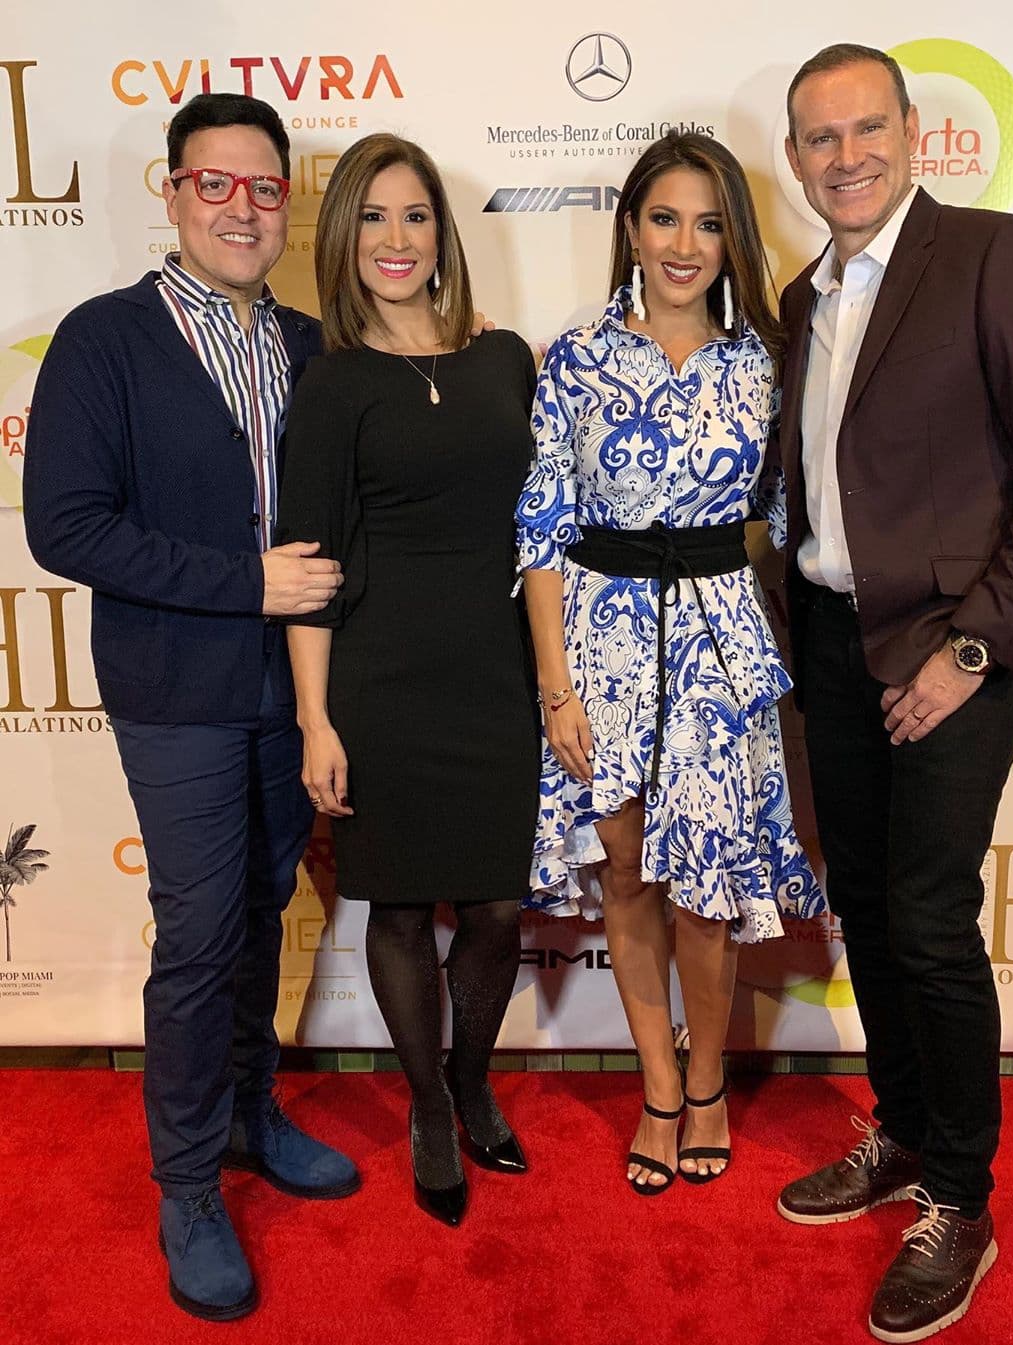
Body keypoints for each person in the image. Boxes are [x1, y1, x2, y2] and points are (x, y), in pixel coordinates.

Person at [22, 93, 361, 1322]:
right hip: (176, 691)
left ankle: (245, 1114)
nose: (242, 206)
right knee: (202, 924)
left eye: (264, 188)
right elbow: (66, 526)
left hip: (297, 694)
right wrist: (247, 584)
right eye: (214, 183)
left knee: (265, 908)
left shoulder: (315, 345)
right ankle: (184, 1181)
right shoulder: (104, 339)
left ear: (287, 205)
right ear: (171, 193)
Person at [775, 43, 1013, 1343]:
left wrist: (970, 653)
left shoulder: (998, 252)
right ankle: (902, 1132)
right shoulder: (801, 295)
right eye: (819, 139)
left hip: (954, 642)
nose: (845, 157)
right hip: (832, 641)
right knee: (865, 899)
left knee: (929, 914)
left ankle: (963, 1194)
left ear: (912, 130)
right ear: (797, 158)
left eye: (865, 129)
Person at [515, 131, 824, 1196]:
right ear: (631, 229)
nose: (683, 244)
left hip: (716, 648)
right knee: (631, 886)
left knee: (706, 897)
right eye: (663, 218)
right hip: (598, 645)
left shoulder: (769, 365)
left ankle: (708, 1084)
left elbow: (793, 525)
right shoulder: (576, 357)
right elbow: (544, 526)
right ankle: (657, 1086)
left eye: (706, 222)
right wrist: (555, 685)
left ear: (732, 237)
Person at [275, 133, 539, 1229]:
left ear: (443, 233)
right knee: (395, 904)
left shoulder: (505, 358)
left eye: (415, 215)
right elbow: (311, 561)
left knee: (495, 903)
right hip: (381, 676)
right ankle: (429, 1106)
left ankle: (472, 1075)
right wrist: (315, 718)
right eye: (373, 217)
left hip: (496, 671)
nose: (396, 238)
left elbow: (544, 526)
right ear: (343, 237)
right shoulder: (334, 385)